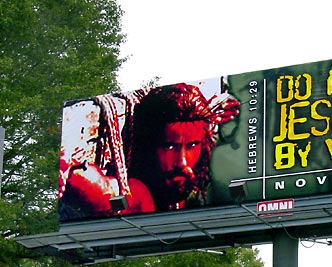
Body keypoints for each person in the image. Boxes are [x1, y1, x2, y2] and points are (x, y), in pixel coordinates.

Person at [59, 82, 240, 220]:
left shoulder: (191, 180)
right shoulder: (141, 195)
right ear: (149, 143)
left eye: (192, 145)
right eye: (169, 147)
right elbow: (105, 195)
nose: (182, 162)